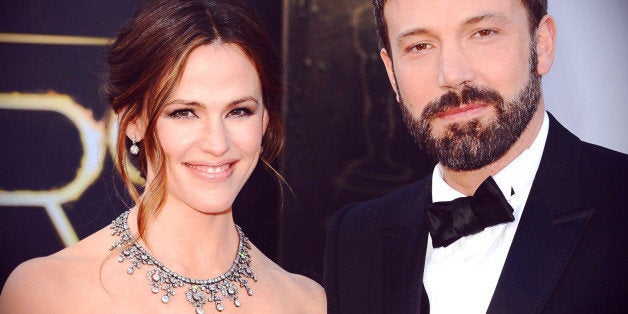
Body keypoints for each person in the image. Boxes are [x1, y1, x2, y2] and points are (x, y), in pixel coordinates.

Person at [0, 1, 325, 313]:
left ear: (265, 121)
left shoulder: (307, 302)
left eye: (239, 111)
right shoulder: (46, 292)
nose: (217, 143)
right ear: (134, 123)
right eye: (184, 112)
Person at [323, 0, 628, 313]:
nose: (453, 75)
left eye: (483, 33)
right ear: (391, 73)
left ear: (543, 45)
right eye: (420, 46)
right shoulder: (357, 238)